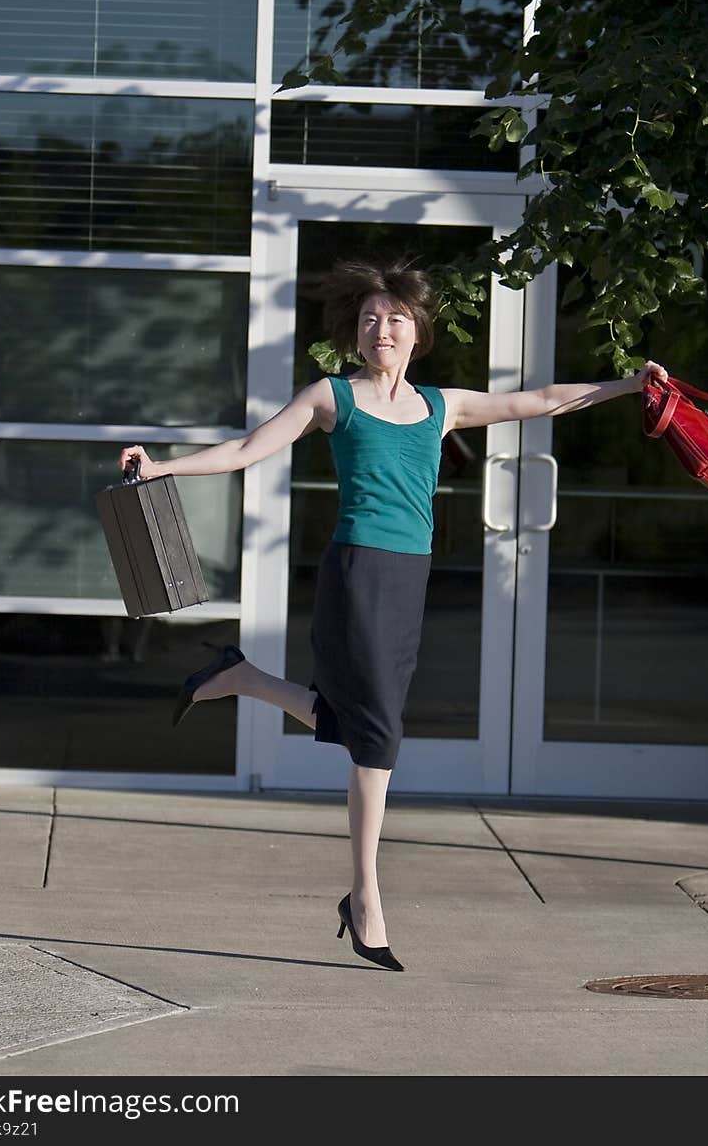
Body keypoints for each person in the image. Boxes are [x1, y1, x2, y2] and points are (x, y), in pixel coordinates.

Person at [120, 258, 668, 973]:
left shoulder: (441, 408)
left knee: (363, 725)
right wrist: (164, 466)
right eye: (372, 318)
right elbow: (250, 449)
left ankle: (243, 677)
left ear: (417, 334)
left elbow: (542, 400)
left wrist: (629, 385)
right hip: (357, 573)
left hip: (411, 576)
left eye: (397, 319)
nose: (383, 328)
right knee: (378, 732)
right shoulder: (332, 398)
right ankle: (366, 896)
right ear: (357, 332)